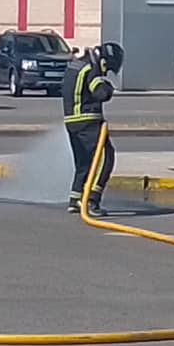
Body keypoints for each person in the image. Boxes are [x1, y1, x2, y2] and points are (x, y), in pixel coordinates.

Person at [62, 41, 125, 217]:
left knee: (84, 163)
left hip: (72, 122)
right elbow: (100, 93)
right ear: (105, 60)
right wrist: (108, 88)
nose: (106, 72)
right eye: (108, 68)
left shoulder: (76, 64)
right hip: (88, 121)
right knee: (106, 159)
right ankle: (92, 200)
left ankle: (75, 199)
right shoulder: (91, 68)